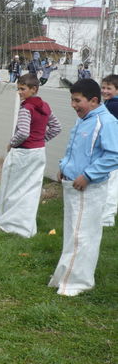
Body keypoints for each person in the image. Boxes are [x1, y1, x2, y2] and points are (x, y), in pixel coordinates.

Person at [49, 79, 118, 296]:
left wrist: (88, 175)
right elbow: (74, 148)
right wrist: (63, 166)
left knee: (83, 235)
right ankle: (65, 275)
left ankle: (77, 282)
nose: (73, 104)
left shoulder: (105, 122)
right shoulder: (84, 119)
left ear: (94, 100)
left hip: (88, 190)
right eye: (72, 99)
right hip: (72, 186)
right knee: (73, 233)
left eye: (77, 100)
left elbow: (114, 154)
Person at [0, 75, 61, 237]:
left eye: (23, 89)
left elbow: (23, 132)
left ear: (34, 89)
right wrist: (40, 140)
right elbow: (56, 127)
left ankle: (9, 223)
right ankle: (26, 226)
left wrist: (12, 143)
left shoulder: (27, 108)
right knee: (31, 189)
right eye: (18, 88)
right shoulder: (45, 107)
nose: (19, 92)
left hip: (23, 153)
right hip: (38, 152)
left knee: (14, 187)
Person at [100, 74, 118, 227]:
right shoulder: (109, 103)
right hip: (110, 148)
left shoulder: (113, 105)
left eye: (109, 88)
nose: (105, 91)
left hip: (113, 149)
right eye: (103, 87)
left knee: (111, 183)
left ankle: (107, 218)